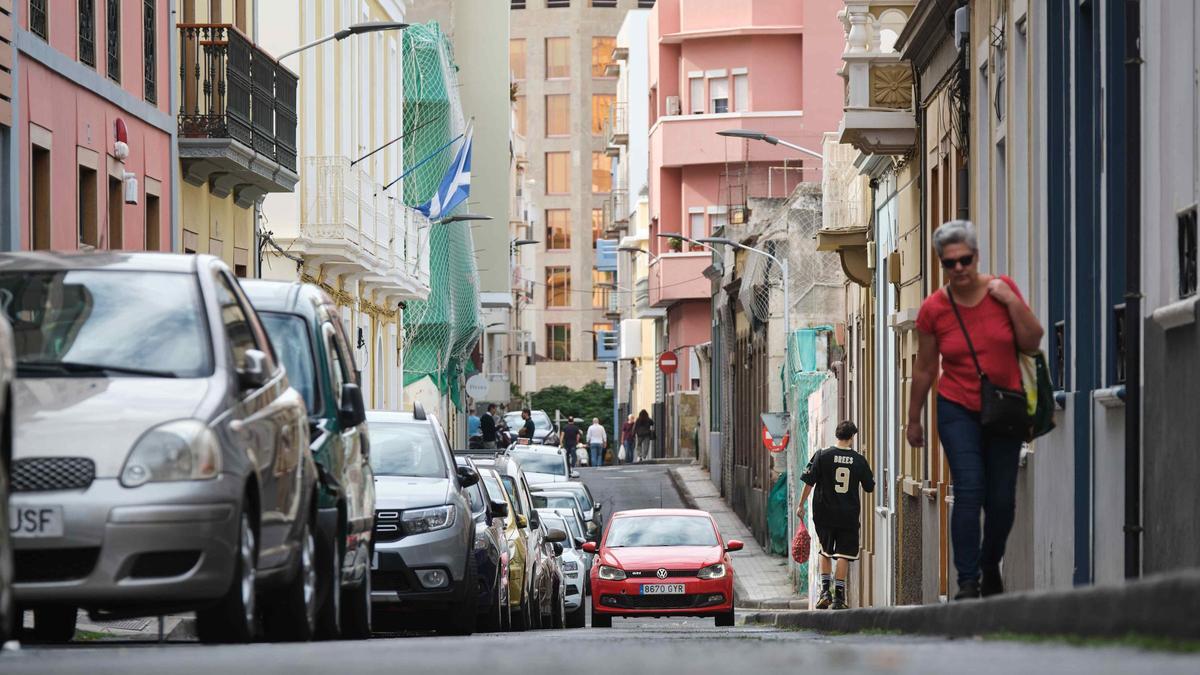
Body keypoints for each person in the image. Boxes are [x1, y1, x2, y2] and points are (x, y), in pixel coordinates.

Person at [907, 220, 1044, 600]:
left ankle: (989, 563)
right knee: (969, 489)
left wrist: (1012, 300)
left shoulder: (1002, 292)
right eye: (950, 263)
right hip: (957, 408)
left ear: (976, 257)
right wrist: (913, 418)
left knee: (1001, 499)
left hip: (1004, 407)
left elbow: (1032, 339)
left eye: (965, 260)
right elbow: (924, 366)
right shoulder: (934, 309)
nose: (959, 269)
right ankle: (967, 581)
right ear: (941, 265)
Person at [797, 421, 874, 611]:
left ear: (837, 435)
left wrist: (801, 505)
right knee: (843, 554)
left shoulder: (822, 455)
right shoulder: (859, 460)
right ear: (852, 437)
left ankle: (825, 592)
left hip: (824, 512)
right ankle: (839, 597)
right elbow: (869, 487)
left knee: (825, 550)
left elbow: (809, 482)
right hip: (848, 515)